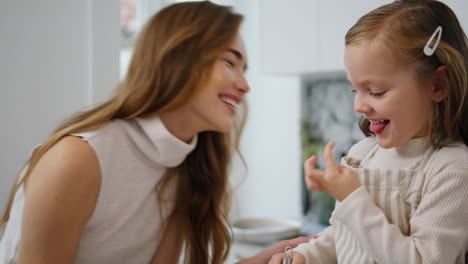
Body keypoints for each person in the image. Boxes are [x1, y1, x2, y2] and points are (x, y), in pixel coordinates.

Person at [0, 1, 252, 263]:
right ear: (178, 57)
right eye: (230, 62)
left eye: (244, 70)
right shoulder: (77, 159)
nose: (245, 86)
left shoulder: (186, 162)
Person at [268, 0, 468, 263]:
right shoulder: (362, 154)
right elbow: (346, 235)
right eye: (355, 90)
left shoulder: (452, 168)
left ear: (438, 85)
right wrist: (305, 255)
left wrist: (351, 198)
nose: (359, 106)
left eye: (376, 91)